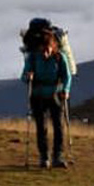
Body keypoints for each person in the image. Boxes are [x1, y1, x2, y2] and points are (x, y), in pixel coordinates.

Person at [22, 29, 72, 168]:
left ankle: (58, 156)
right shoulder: (32, 57)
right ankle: (44, 157)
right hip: (38, 96)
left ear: (53, 46)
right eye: (42, 49)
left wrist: (66, 90)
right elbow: (23, 76)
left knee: (58, 126)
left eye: (47, 49)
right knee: (41, 127)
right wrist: (28, 76)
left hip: (55, 94)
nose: (45, 53)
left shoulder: (60, 57)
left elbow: (67, 76)